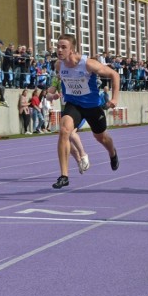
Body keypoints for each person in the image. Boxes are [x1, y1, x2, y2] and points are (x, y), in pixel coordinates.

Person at [48, 33, 120, 189]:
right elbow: (56, 82)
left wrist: (114, 98)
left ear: (72, 49)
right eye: (58, 47)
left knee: (101, 137)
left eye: (63, 47)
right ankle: (64, 176)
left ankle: (112, 153)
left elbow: (114, 75)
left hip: (92, 106)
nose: (59, 50)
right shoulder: (59, 65)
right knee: (64, 130)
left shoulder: (88, 64)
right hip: (73, 104)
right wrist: (51, 92)